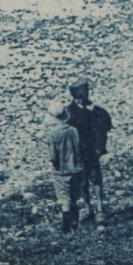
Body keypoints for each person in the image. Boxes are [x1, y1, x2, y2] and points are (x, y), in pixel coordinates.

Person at [65, 77, 113, 226]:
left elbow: (105, 124)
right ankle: (88, 209)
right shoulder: (70, 112)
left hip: (92, 152)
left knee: (96, 180)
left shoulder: (95, 110)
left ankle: (100, 209)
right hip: (78, 154)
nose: (86, 96)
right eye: (84, 93)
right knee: (83, 183)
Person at [45, 99, 84, 233]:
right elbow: (79, 148)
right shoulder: (73, 130)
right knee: (74, 197)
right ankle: (75, 222)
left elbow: (52, 157)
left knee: (64, 199)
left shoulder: (52, 134)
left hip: (61, 172)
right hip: (76, 169)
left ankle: (66, 228)